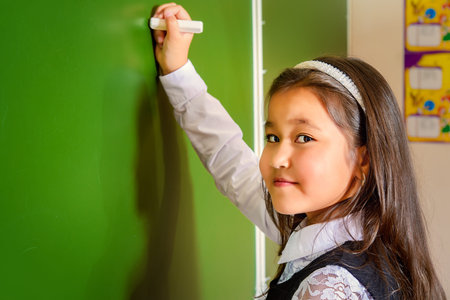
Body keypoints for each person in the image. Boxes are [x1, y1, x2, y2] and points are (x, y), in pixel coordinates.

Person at [151, 3, 446, 300]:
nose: (278, 158)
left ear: (363, 158)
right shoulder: (354, 235)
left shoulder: (328, 289)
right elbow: (232, 163)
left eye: (304, 137)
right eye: (273, 137)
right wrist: (178, 73)